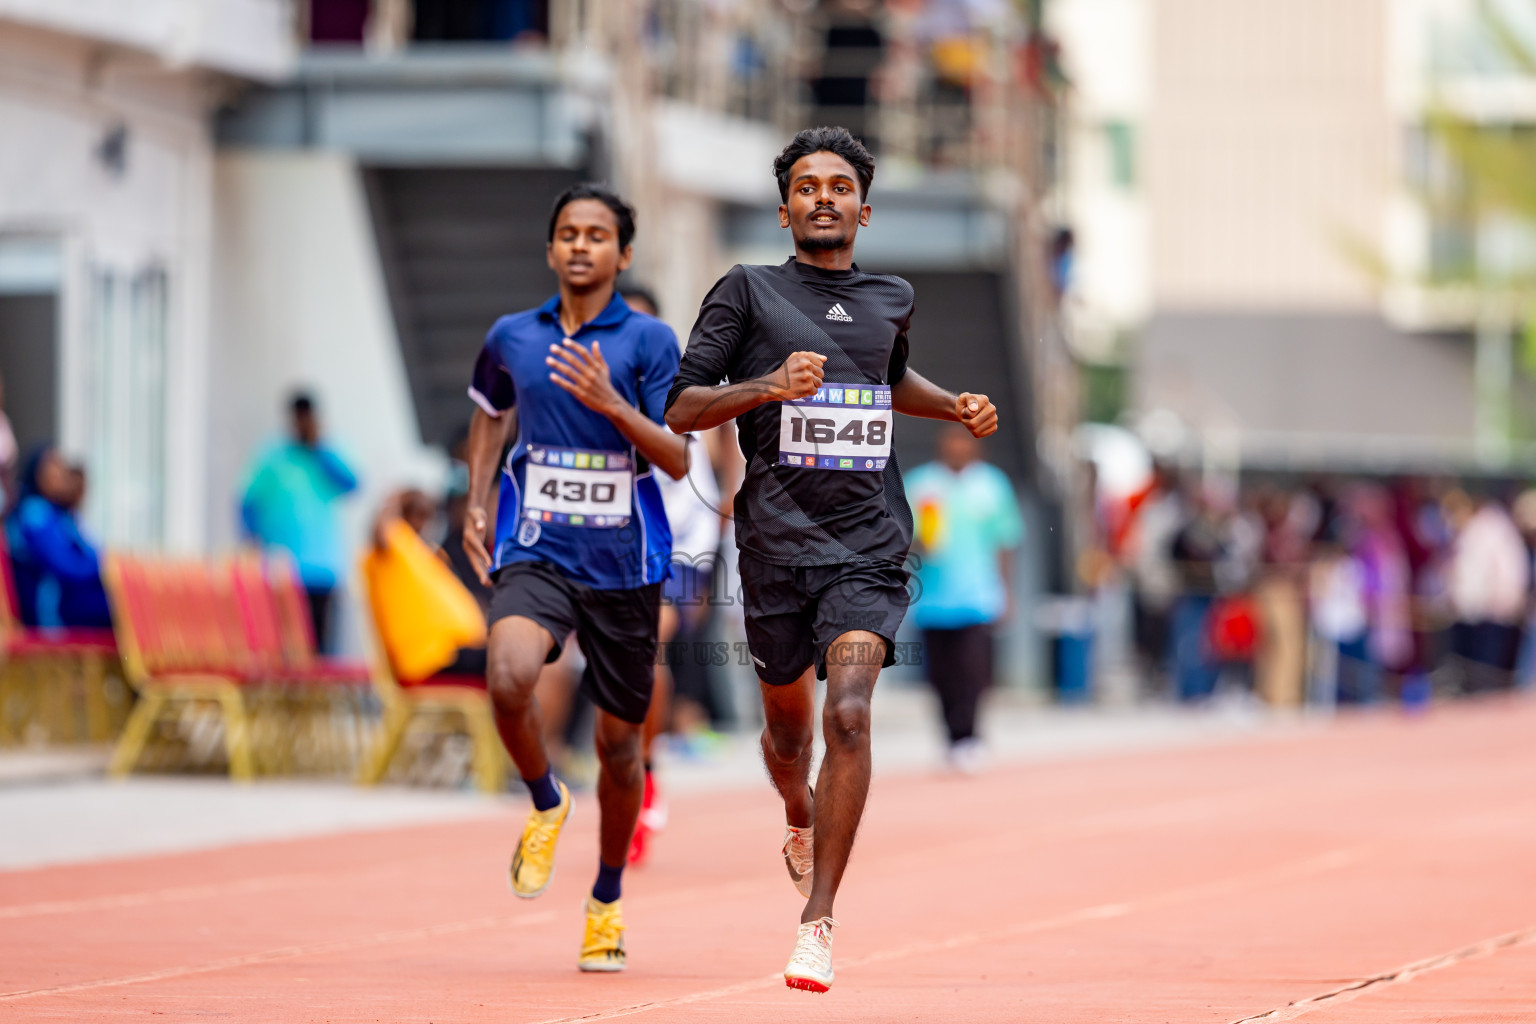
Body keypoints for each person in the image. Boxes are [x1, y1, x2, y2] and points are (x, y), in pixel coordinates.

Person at [664, 126, 998, 993]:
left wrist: (952, 405)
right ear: (784, 211)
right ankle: (796, 814)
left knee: (849, 712)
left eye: (839, 184)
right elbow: (683, 405)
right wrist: (767, 387)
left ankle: (818, 921)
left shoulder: (892, 296)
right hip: (775, 549)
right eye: (806, 185)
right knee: (787, 736)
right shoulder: (746, 292)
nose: (823, 195)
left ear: (864, 207)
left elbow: (887, 379)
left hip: (870, 549)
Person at [460, 183, 688, 973]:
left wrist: (612, 405)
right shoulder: (512, 336)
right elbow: (490, 415)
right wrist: (477, 497)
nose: (581, 245)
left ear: (623, 255)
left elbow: (679, 455)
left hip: (626, 566)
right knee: (507, 671)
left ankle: (606, 899)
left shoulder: (650, 342)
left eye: (597, 234)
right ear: (551, 249)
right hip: (537, 548)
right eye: (567, 233)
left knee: (621, 749)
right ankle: (546, 798)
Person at [620, 287, 723, 867]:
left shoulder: (675, 403)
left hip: (665, 562)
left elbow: (698, 502)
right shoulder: (579, 385)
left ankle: (646, 773)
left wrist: (695, 577)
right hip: (591, 558)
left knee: (645, 650)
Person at [905, 424, 1022, 772]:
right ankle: (950, 737)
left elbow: (1005, 541)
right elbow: (901, 536)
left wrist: (1006, 590)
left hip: (977, 596)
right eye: (950, 441)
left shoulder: (992, 485)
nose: (956, 448)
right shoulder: (921, 484)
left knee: (972, 670)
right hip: (933, 599)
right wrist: (918, 545)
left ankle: (969, 736)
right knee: (940, 674)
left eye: (962, 442)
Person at [240, 393, 359, 652]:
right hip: (280, 571)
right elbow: (247, 502)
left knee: (321, 648)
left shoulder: (328, 453)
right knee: (283, 647)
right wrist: (251, 542)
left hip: (322, 569)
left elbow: (352, 484)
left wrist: (319, 448)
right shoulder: (272, 456)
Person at [6, 447, 111, 629]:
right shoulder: (34, 513)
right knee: (121, 607)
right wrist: (106, 569)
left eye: (62, 466)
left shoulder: (61, 514)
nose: (60, 473)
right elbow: (64, 566)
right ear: (38, 473)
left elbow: (93, 554)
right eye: (52, 466)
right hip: (50, 605)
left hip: (70, 596)